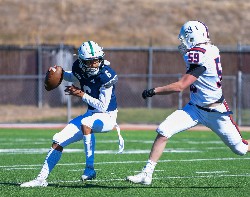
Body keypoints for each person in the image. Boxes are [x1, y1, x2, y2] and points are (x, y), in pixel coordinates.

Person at [126, 20, 250, 185]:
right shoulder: (209, 50)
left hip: (216, 112)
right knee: (164, 130)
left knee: (240, 149)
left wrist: (154, 90)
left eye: (185, 38)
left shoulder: (201, 55)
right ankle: (146, 174)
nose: (182, 42)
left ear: (192, 37)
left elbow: (180, 86)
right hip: (194, 108)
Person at [21, 40, 124, 187]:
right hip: (91, 114)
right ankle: (41, 179)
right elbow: (74, 77)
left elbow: (102, 107)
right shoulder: (80, 69)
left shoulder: (106, 76)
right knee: (58, 140)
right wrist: (60, 74)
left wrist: (81, 94)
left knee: (85, 123)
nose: (95, 64)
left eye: (97, 61)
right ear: (82, 62)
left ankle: (89, 169)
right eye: (90, 62)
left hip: (107, 117)